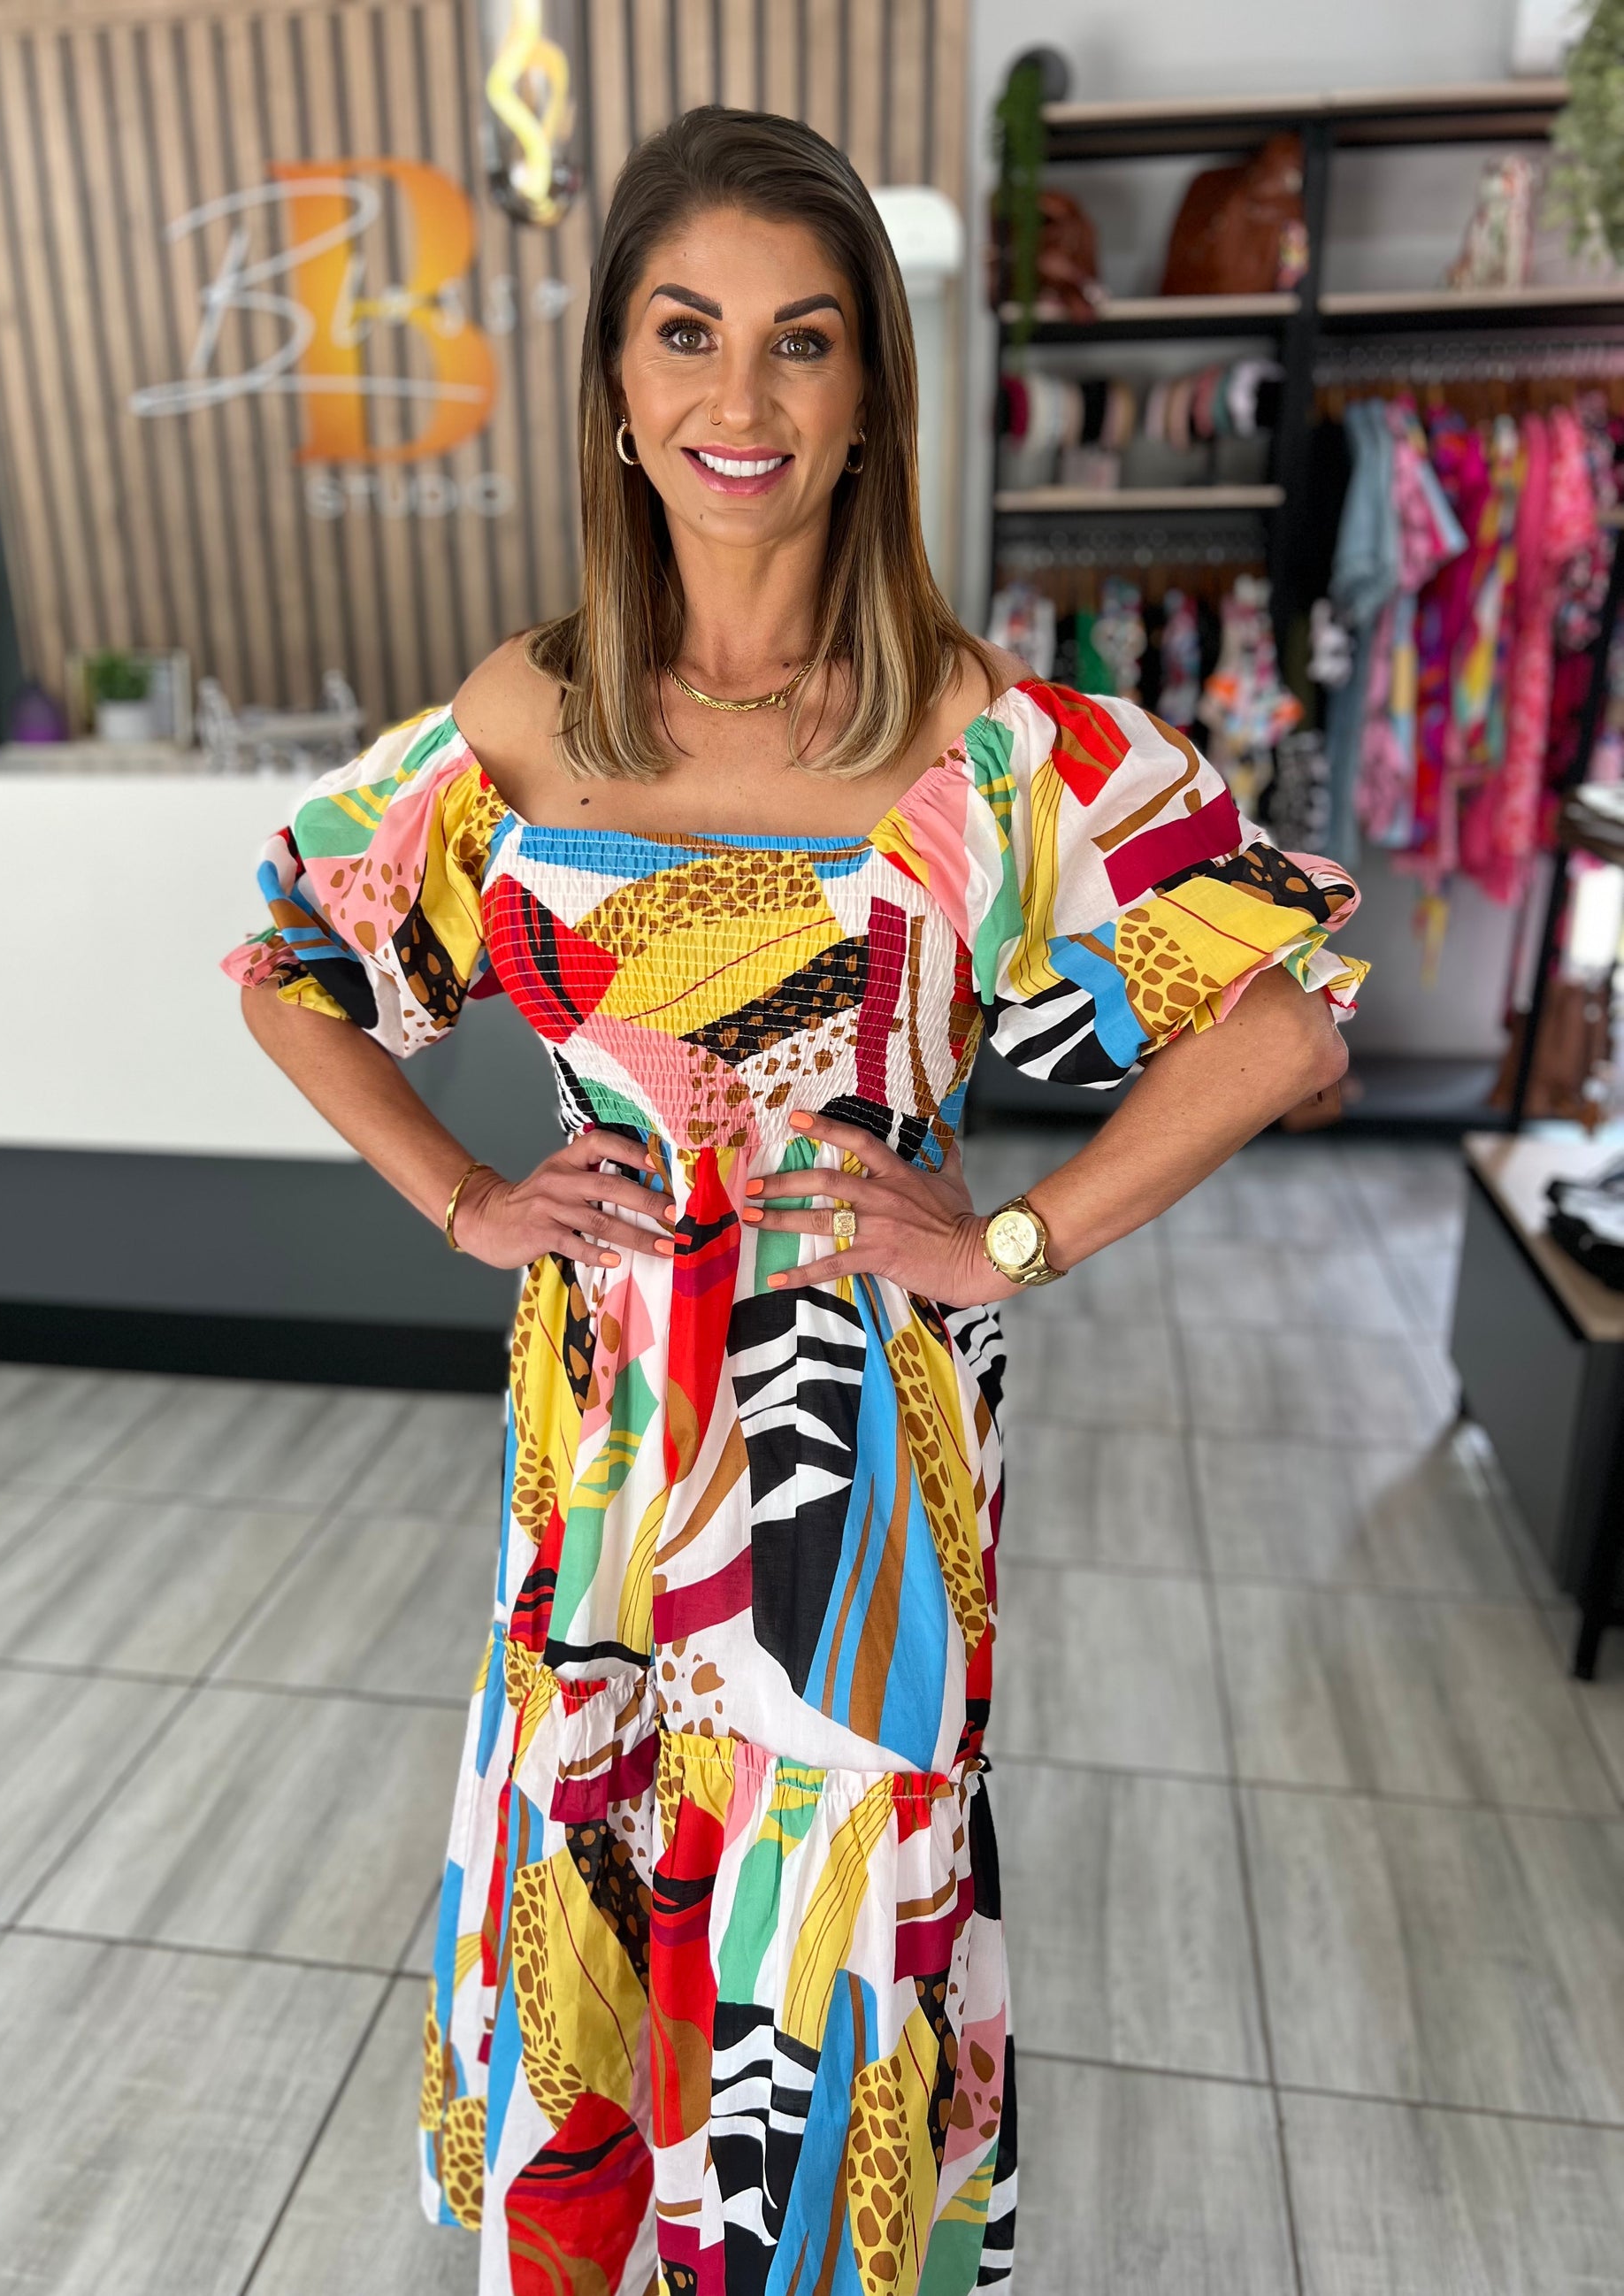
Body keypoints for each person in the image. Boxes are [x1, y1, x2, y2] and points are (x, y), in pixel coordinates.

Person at [224, 104, 1366, 2296]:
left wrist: (1009, 1237)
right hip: (598, 1431)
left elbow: (1287, 1025)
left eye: (800, 339)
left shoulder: (983, 742)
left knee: (824, 1908)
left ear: (864, 400)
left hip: (860, 1452)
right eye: (685, 332)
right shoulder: (529, 712)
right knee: (600, 1845)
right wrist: (465, 1197)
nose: (736, 394)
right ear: (615, 385)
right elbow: (294, 960)